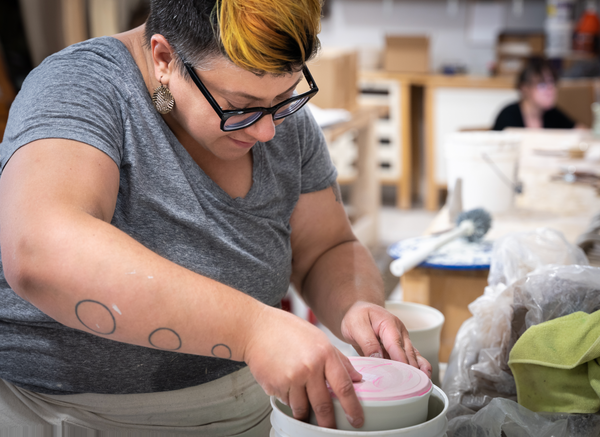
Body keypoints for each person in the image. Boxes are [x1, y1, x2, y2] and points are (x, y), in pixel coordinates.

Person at [0, 0, 431, 434]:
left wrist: (357, 303)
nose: (266, 131)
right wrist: (254, 330)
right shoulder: (78, 88)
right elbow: (40, 251)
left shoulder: (273, 116)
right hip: (73, 418)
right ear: (164, 58)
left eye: (285, 96)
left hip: (247, 407)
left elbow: (325, 247)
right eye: (238, 106)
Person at [492, 57, 582, 131]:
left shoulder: (553, 114)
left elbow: (581, 131)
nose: (550, 89)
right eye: (542, 84)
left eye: (552, 83)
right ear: (525, 88)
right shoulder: (508, 115)